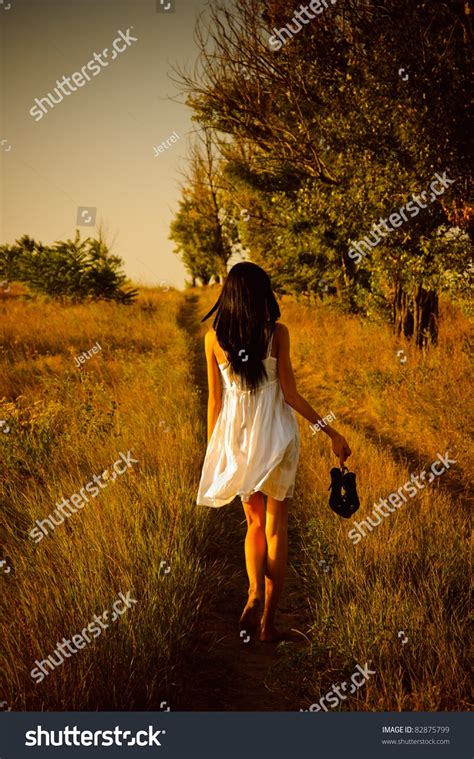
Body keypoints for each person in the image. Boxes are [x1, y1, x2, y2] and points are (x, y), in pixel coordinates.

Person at [196, 262, 351, 642]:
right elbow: (290, 395)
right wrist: (331, 432)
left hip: (239, 439)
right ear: (262, 294)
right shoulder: (277, 334)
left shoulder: (213, 340)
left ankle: (253, 591)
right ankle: (268, 624)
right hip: (278, 436)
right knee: (276, 526)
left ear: (228, 296)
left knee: (253, 523)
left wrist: (214, 451)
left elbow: (215, 403)